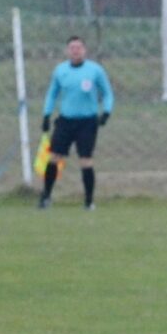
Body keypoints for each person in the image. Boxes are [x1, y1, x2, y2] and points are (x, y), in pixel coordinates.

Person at [38, 34, 113, 211]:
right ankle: (46, 196)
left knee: (85, 160)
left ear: (84, 50)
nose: (75, 51)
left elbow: (108, 93)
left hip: (87, 122)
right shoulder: (60, 71)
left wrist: (106, 112)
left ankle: (88, 201)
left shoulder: (95, 70)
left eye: (78, 47)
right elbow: (52, 94)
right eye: (72, 48)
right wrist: (46, 116)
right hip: (65, 121)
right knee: (54, 157)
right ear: (67, 51)